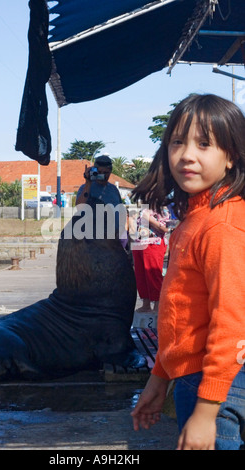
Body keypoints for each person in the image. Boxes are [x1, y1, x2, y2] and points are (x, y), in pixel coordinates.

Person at [130, 93, 245, 450]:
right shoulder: (194, 220)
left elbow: (232, 322)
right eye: (177, 142)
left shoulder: (222, 226)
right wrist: (158, 380)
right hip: (196, 379)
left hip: (219, 385)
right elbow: (184, 318)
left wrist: (207, 412)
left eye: (204, 144)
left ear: (231, 158)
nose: (187, 155)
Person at [132, 207, 169, 313]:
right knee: (141, 276)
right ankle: (146, 304)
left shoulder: (162, 207)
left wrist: (150, 219)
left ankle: (158, 305)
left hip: (153, 243)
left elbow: (166, 228)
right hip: (139, 243)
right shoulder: (144, 207)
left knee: (153, 275)